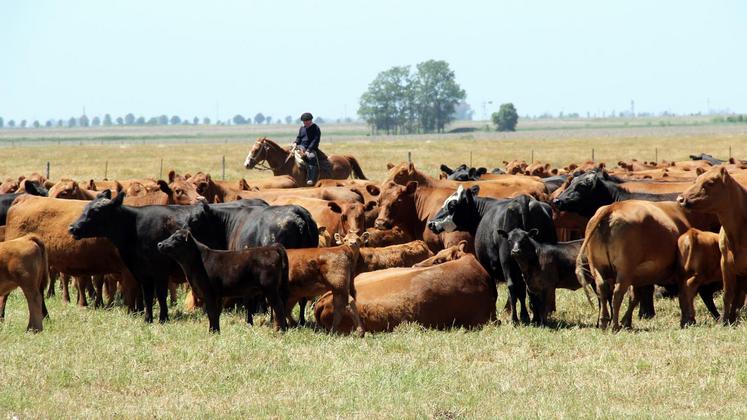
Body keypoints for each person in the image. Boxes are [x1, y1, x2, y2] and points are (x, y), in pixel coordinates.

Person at [294, 112, 321, 185]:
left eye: (306, 121)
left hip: (311, 148)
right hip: (301, 147)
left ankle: (310, 179)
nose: (305, 122)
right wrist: (295, 143)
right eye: (303, 121)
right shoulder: (302, 128)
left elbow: (315, 140)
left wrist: (308, 150)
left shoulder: (316, 128)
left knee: (311, 157)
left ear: (311, 120)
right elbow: (299, 137)